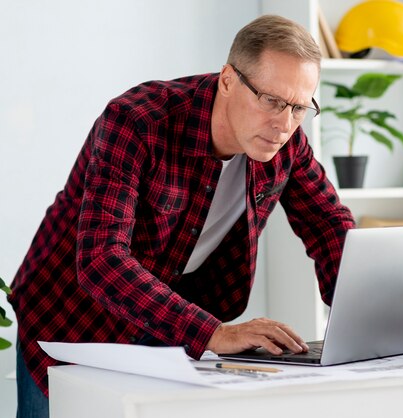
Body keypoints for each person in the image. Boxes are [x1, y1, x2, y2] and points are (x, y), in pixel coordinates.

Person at [9, 14, 355, 417]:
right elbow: (102, 259)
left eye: (299, 107)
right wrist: (212, 333)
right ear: (228, 80)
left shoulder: (286, 142)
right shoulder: (138, 121)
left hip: (167, 327)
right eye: (272, 101)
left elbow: (330, 227)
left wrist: (365, 322)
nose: (283, 124)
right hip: (71, 321)